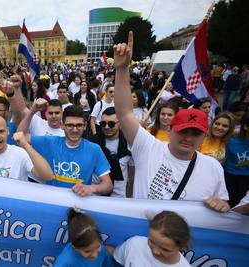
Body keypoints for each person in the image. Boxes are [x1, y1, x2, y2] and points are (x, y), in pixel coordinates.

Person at [113, 31, 229, 212]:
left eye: (195, 133)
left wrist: (222, 205)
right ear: (172, 130)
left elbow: (222, 205)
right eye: (183, 131)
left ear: (204, 135)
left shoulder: (213, 168)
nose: (188, 138)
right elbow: (124, 112)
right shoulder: (149, 147)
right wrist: (121, 69)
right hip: (143, 237)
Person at [30, 105, 113, 196]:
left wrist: (91, 188)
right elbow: (20, 136)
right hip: (52, 202)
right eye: (70, 125)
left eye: (79, 125)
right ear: (62, 126)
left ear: (85, 126)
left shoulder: (94, 149)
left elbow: (108, 185)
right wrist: (32, 111)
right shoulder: (50, 142)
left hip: (78, 205)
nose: (74, 130)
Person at [0, 115, 53, 181]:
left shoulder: (20, 153)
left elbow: (48, 176)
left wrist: (26, 145)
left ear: (8, 131)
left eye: (1, 131)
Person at [111, 211, 191, 267]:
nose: (155, 251)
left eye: (165, 249)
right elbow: (116, 257)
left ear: (181, 246)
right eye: (151, 242)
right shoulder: (134, 244)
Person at [89, 107, 134, 198]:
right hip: (94, 196)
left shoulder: (130, 144)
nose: (106, 127)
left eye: (111, 124)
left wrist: (130, 195)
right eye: (103, 123)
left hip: (118, 197)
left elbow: (132, 173)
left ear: (120, 123)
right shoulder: (92, 143)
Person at [224, 111, 249, 207]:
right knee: (230, 204)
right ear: (246, 127)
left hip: (247, 179)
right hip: (232, 178)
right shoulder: (231, 141)